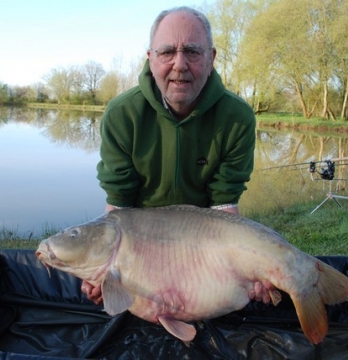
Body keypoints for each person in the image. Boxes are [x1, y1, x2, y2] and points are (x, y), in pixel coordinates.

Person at [81, 7, 271, 306]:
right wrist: (103, 267)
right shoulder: (121, 114)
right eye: (167, 51)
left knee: (252, 281)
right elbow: (118, 204)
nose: (179, 65)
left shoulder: (238, 117)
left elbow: (225, 206)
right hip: (139, 244)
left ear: (212, 59)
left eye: (193, 52)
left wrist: (248, 266)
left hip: (206, 245)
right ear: (150, 58)